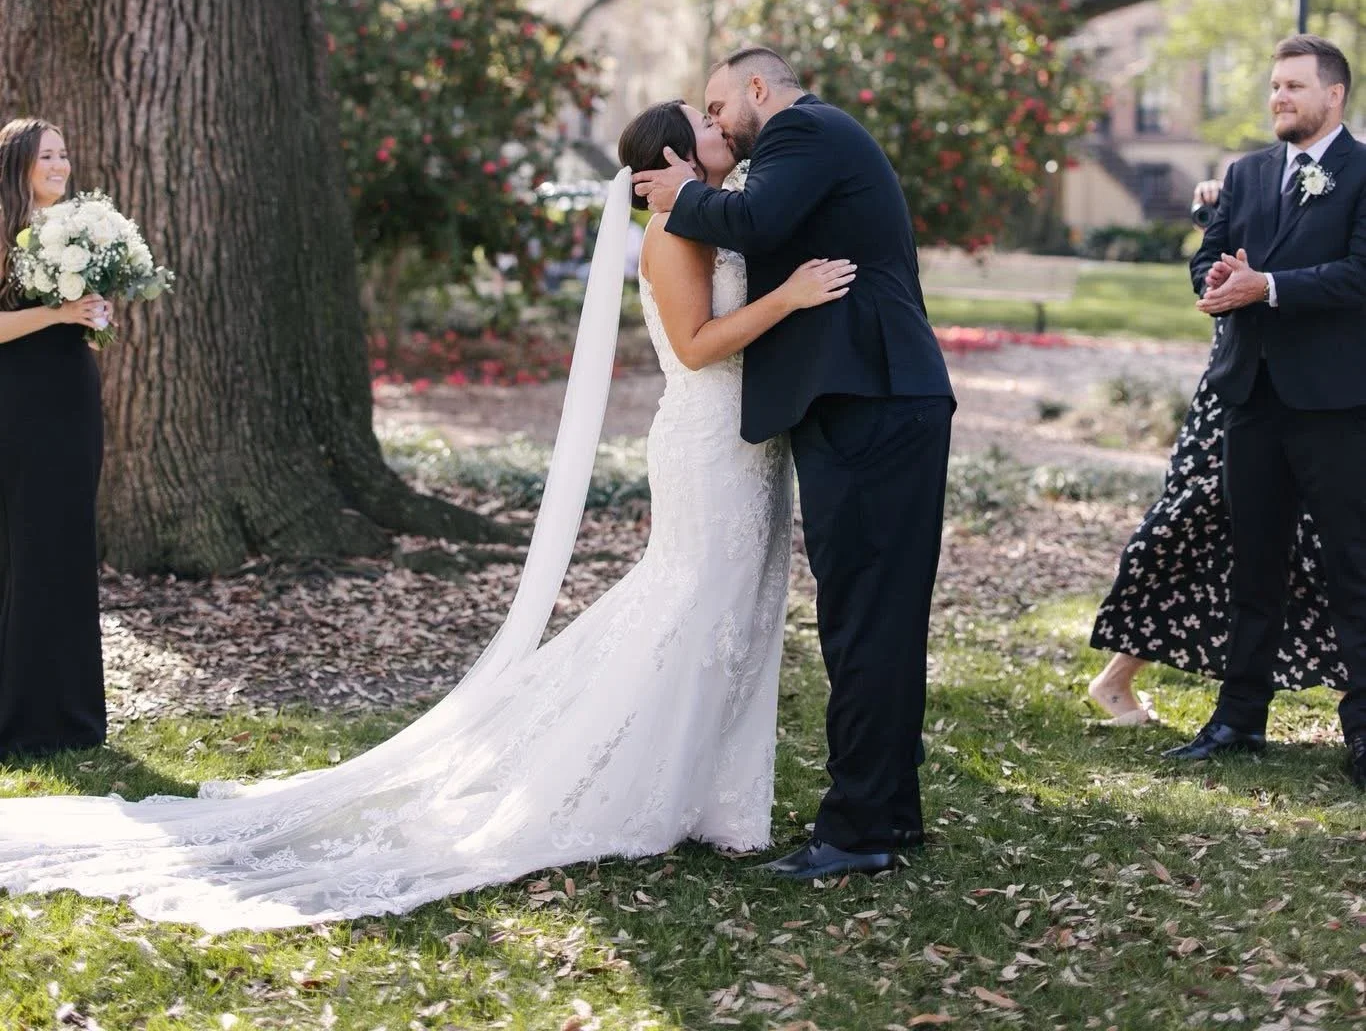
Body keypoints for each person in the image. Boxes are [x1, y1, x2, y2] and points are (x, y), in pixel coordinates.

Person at [0, 100, 850, 930]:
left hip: (744, 446)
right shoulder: (674, 233)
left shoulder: (716, 217)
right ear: (668, 159)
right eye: (704, 121)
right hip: (704, 444)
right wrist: (792, 299)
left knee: (730, 615)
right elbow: (700, 344)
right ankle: (642, 784)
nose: (721, 126)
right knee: (691, 610)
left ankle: (712, 795)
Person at [634, 46, 954, 881]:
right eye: (701, 120)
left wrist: (681, 197)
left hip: (874, 404)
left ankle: (855, 834)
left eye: (716, 107)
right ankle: (887, 815)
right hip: (864, 403)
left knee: (865, 621)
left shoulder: (801, 132)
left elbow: (756, 224)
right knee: (872, 620)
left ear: (756, 88)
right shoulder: (803, 144)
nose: (714, 124)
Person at [1162, 35, 1366, 784]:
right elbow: (1205, 259)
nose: (1278, 97)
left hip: (1338, 405)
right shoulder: (1245, 175)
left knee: (1354, 566)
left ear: (1334, 95)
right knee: (1252, 567)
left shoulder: (1363, 172)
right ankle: (1239, 719)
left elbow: (1358, 276)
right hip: (1250, 399)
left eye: (1293, 87)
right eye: (1274, 86)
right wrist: (1216, 277)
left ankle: (1364, 733)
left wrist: (1268, 286)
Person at [1087, 180, 1341, 727]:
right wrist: (1216, 211)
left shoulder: (1347, 177)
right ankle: (1116, 679)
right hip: (1239, 395)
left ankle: (1353, 699)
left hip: (1314, 393)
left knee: (1323, 543)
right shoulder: (1267, 177)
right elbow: (1226, 262)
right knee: (1193, 523)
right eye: (1278, 85)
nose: (1282, 96)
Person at [0, 118, 112, 758]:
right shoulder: (5, 231)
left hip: (71, 395)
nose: (61, 164)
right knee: (25, 548)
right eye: (47, 155)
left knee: (67, 548)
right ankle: (20, 718)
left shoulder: (83, 228)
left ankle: (69, 717)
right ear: (19, 164)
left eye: (65, 153)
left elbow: (81, 326)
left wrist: (95, 315)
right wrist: (58, 312)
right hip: (17, 400)